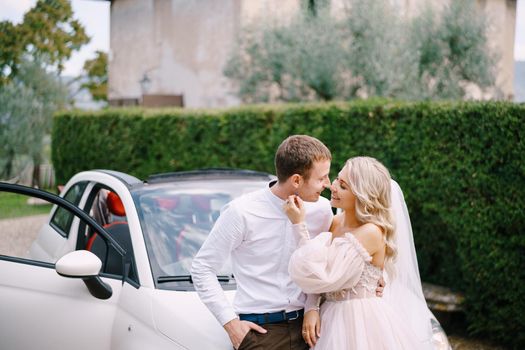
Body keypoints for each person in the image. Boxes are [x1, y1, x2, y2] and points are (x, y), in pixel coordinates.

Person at [191, 135, 334, 350]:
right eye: (322, 178)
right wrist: (231, 324)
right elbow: (202, 267)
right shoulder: (241, 212)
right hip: (261, 335)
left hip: (311, 331)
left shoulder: (322, 210)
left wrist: (313, 307)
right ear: (296, 180)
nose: (328, 184)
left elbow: (322, 264)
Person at [284, 156, 430, 350]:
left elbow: (323, 274)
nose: (333, 186)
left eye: (343, 186)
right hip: (329, 316)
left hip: (362, 320)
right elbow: (317, 268)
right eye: (337, 179)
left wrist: (298, 224)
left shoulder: (371, 232)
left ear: (362, 196)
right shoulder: (335, 222)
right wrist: (312, 307)